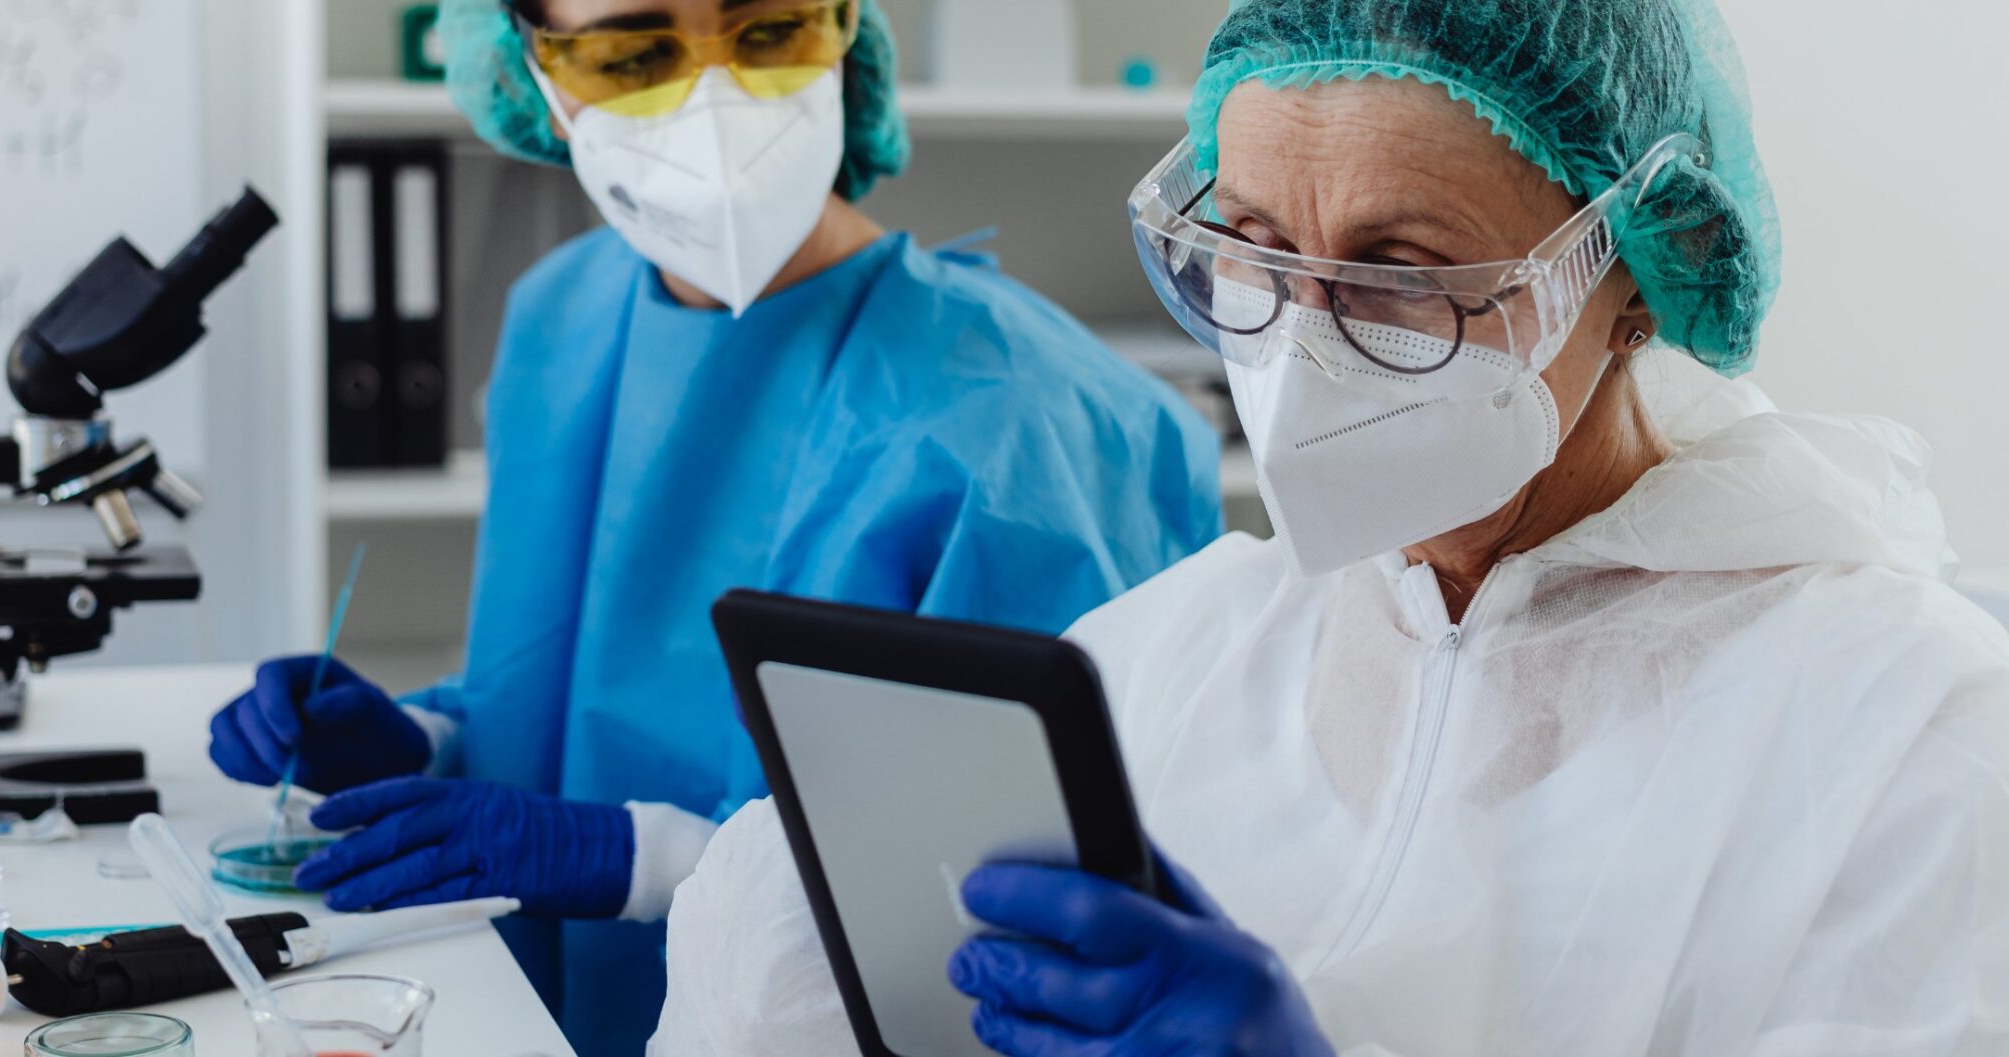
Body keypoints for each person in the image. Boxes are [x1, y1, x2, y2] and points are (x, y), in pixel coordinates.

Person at [651, 0, 2009, 1054]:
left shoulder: (1904, 728)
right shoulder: (1191, 648)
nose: (1300, 354)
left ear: (1643, 272)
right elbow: (757, 988)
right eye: (1249, 247)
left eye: (1401, 275)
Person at [205, 1, 1226, 1052]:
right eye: (634, 54)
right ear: (535, 82)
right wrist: (429, 742)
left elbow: (1009, 922)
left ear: (845, 31)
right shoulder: (564, 316)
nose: (713, 99)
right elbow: (589, 688)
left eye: (769, 31)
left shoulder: (1030, 423)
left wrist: (638, 860)